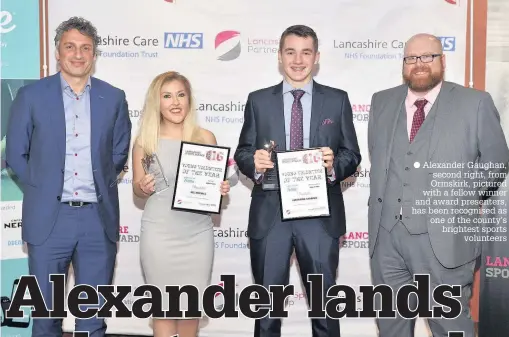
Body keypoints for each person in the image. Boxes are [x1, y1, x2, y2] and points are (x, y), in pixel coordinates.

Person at [367, 33, 509, 337]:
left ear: (442, 61)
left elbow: (497, 160)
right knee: (391, 327)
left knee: (450, 328)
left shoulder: (475, 102)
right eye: (411, 58)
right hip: (387, 241)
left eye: (427, 57)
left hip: (444, 241)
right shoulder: (382, 101)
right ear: (403, 64)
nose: (419, 64)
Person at [5, 17, 132, 337]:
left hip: (96, 222)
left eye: (86, 48)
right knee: (46, 317)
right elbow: (15, 156)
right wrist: (43, 189)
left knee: (93, 319)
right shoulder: (31, 96)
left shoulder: (113, 97)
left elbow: (118, 154)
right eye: (70, 47)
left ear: (94, 54)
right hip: (49, 221)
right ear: (58, 52)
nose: (78, 54)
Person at [234, 25, 361, 337]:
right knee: (266, 311)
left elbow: (352, 154)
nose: (298, 59)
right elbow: (243, 151)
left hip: (319, 216)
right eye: (290, 51)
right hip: (270, 214)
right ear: (280, 56)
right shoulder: (258, 101)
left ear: (316, 57)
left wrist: (333, 166)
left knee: (324, 309)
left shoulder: (337, 100)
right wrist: (254, 163)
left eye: (306, 52)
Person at [132, 71, 231, 337]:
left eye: (181, 94)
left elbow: (216, 198)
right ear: (157, 102)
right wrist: (141, 187)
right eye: (167, 96)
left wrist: (221, 191)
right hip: (159, 235)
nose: (175, 102)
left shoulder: (205, 137)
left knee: (191, 313)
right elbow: (137, 189)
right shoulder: (145, 141)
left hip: (197, 235)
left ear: (189, 99)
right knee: (162, 311)